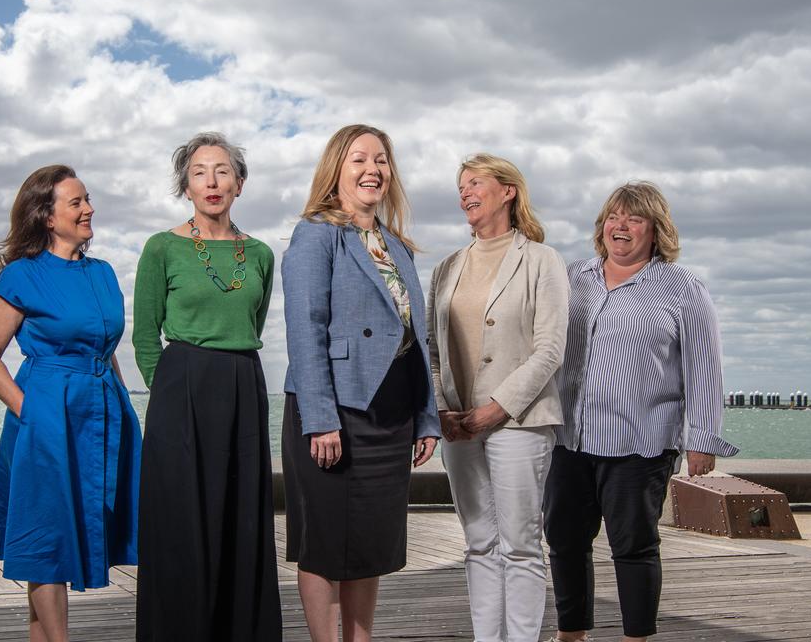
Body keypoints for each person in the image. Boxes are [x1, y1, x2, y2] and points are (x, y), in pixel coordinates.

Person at [545, 181, 739, 642]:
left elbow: (704, 369)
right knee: (564, 541)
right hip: (569, 439)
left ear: (656, 230)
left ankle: (637, 637)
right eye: (613, 217)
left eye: (633, 218)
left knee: (632, 545)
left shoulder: (682, 287)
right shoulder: (572, 278)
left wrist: (702, 440)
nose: (620, 226)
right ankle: (572, 634)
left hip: (641, 443)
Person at [281, 124, 441, 642]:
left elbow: (414, 336)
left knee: (371, 541)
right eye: (358, 160)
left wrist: (425, 416)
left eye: (381, 161)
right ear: (336, 170)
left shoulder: (398, 246)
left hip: (392, 410)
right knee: (325, 543)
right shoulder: (316, 233)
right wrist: (320, 418)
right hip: (337, 410)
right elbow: (306, 329)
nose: (372, 170)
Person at [0, 165, 141, 642]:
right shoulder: (21, 275)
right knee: (46, 541)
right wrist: (31, 414)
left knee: (70, 537)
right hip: (46, 411)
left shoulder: (104, 272)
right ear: (47, 215)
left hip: (103, 410)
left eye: (87, 199)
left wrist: (125, 413)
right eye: (76, 203)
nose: (89, 209)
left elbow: (107, 351)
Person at [133, 132, 281, 642]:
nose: (212, 181)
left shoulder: (260, 254)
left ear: (239, 183)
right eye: (199, 172)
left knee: (241, 520)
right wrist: (171, 393)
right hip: (182, 387)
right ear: (186, 186)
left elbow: (253, 325)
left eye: (222, 171)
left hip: (243, 382)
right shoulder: (161, 248)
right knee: (180, 522)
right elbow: (144, 335)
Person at [427, 154, 569, 642]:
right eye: (460, 185)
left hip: (520, 421)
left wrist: (498, 408)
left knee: (522, 546)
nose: (464, 192)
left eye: (474, 183)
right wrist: (443, 410)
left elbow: (550, 349)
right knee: (479, 543)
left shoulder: (542, 260)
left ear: (508, 191)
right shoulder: (446, 267)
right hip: (458, 426)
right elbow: (433, 350)